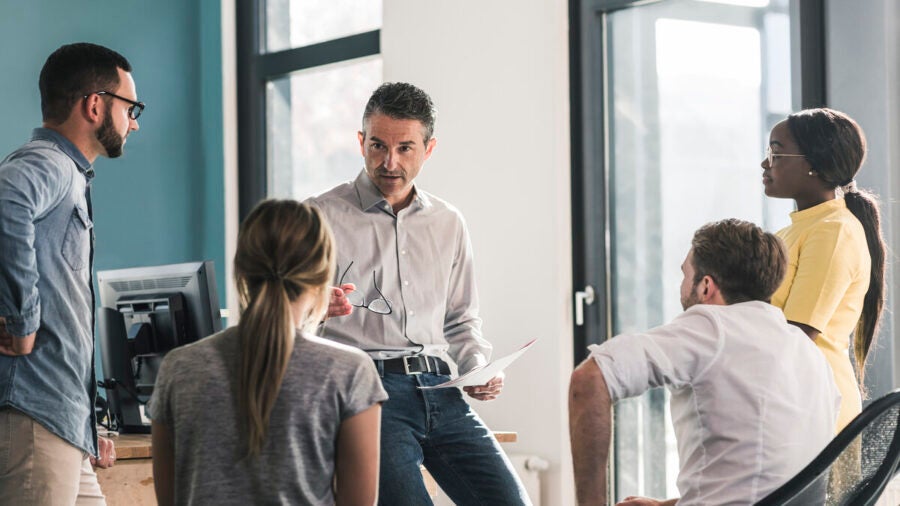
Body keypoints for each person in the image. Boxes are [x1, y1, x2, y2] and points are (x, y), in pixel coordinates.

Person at [308, 82, 530, 505]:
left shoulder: (449, 222)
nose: (389, 162)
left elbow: (463, 322)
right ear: (361, 142)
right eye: (377, 146)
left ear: (428, 149)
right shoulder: (318, 216)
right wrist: (319, 309)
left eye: (405, 148)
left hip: (442, 391)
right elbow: (285, 322)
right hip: (368, 395)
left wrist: (479, 368)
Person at [569, 219, 840, 506]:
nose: (682, 286)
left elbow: (590, 378)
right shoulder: (808, 353)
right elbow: (767, 483)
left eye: (686, 275)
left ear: (706, 286)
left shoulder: (713, 326)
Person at [148, 200, 387, 505]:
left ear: (241, 272)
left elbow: (171, 500)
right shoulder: (349, 371)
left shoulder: (179, 368)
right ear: (322, 274)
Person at [0, 42, 142, 505]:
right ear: (95, 105)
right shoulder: (50, 163)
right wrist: (23, 322)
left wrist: (88, 423)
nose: (134, 121)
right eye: (130, 107)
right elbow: (6, 202)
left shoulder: (68, 172)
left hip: (63, 422)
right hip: (35, 413)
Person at [762, 107, 886, 431]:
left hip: (817, 414)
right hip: (792, 402)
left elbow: (799, 336)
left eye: (776, 154)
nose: (765, 164)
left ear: (813, 165)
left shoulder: (834, 231)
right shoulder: (796, 230)